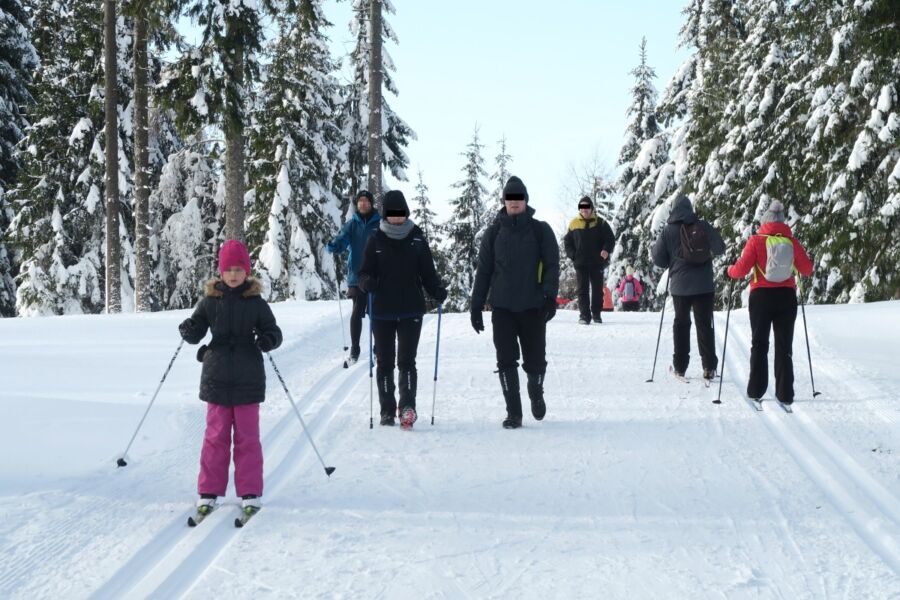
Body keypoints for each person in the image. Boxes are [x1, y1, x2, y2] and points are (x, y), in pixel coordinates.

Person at [178, 240, 283, 520]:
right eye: (228, 269)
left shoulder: (256, 303)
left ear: (246, 271)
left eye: (238, 269)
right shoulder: (210, 301)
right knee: (216, 437)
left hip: (248, 378)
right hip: (217, 378)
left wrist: (268, 339)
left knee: (248, 439)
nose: (233, 275)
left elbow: (274, 331)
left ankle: (250, 492)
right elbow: (197, 330)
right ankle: (209, 491)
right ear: (220, 272)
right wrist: (189, 330)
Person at [471, 176, 560, 429]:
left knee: (535, 362)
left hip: (533, 308)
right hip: (502, 309)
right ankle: (514, 413)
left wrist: (550, 297)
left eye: (518, 198)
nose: (514, 202)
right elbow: (484, 271)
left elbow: (552, 265)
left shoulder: (540, 230)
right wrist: (476, 306)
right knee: (506, 360)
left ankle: (536, 389)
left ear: (525, 201)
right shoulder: (494, 233)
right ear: (504, 202)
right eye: (509, 198)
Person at [358, 190, 447, 429]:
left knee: (407, 361)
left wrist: (437, 289)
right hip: (382, 310)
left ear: (406, 213)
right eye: (392, 214)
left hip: (410, 309)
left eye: (400, 213)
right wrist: (366, 282)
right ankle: (387, 410)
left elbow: (428, 273)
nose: (397, 218)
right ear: (385, 215)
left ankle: (407, 407)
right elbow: (364, 272)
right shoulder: (375, 240)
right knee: (385, 361)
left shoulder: (417, 239)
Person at [727, 200, 813, 405]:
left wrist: (729, 270)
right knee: (784, 346)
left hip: (761, 297)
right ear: (783, 221)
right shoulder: (791, 241)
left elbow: (740, 270)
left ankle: (756, 389)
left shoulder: (756, 240)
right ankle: (785, 393)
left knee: (759, 343)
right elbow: (807, 270)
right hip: (786, 297)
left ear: (765, 220)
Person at [652, 194, 725, 381]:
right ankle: (709, 367)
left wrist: (673, 258)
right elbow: (720, 248)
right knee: (704, 325)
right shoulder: (702, 225)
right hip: (704, 286)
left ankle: (680, 367)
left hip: (680, 287)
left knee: (681, 325)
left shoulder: (668, 231)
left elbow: (658, 259)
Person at [326, 190, 381, 363]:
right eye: (360, 201)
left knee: (376, 312)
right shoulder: (352, 224)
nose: (363, 204)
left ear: (371, 204)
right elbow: (342, 239)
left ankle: (378, 347)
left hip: (376, 276)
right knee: (357, 312)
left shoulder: (379, 223)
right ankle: (355, 348)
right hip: (356, 276)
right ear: (357, 204)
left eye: (366, 201)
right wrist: (335, 246)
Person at [563, 196, 615, 324]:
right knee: (582, 290)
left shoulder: (601, 223)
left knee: (597, 290)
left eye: (587, 207)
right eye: (582, 207)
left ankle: (596, 314)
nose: (584, 210)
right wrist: (573, 255)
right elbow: (567, 242)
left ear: (591, 208)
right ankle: (584, 316)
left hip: (597, 262)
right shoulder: (574, 223)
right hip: (580, 263)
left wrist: (606, 250)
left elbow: (610, 239)